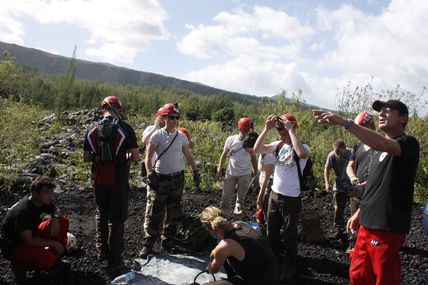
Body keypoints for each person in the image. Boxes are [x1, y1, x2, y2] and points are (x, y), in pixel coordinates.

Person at [314, 99, 420, 285]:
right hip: (366, 225)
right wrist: (358, 213)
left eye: (388, 111)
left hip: (387, 227)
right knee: (358, 276)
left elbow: (386, 145)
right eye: (380, 111)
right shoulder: (377, 153)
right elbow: (374, 187)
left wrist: (346, 122)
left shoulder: (408, 143)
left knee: (385, 279)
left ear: (403, 118)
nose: (381, 114)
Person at [83, 96, 140, 277]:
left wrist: (99, 158)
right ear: (119, 109)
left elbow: (85, 158)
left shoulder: (91, 129)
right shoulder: (126, 128)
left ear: (102, 109)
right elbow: (136, 157)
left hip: (98, 180)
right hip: (118, 181)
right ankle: (116, 260)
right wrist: (122, 158)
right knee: (117, 220)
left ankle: (102, 255)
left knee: (101, 214)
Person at [253, 113, 310, 282]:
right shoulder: (279, 145)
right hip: (274, 195)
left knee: (290, 235)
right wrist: (266, 129)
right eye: (281, 133)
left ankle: (290, 265)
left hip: (291, 198)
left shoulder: (303, 146)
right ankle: (273, 262)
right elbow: (257, 149)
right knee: (272, 232)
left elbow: (301, 154)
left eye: (285, 133)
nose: (282, 136)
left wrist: (291, 130)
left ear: (293, 129)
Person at [140, 103, 200, 257]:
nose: (175, 120)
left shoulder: (181, 136)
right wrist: (150, 174)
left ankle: (168, 241)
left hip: (177, 178)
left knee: (174, 211)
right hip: (161, 178)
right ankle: (148, 244)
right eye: (172, 117)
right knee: (155, 212)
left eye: (177, 117)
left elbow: (188, 155)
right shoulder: (157, 135)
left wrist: (195, 171)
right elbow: (148, 157)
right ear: (165, 118)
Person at [1, 176, 70, 281]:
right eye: (47, 192)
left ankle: (51, 258)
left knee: (63, 221)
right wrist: (53, 243)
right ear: (34, 192)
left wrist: (55, 218)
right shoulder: (23, 211)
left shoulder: (40, 202)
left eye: (51, 192)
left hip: (30, 236)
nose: (50, 196)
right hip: (15, 247)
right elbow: (28, 241)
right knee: (47, 258)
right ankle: (21, 266)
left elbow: (57, 210)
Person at [200, 206, 279, 285]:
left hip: (258, 282)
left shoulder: (224, 246)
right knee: (228, 258)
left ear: (210, 229)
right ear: (224, 215)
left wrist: (210, 266)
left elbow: (213, 269)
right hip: (273, 276)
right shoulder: (241, 224)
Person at [216, 118, 258, 220]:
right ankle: (223, 220)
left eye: (249, 130)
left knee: (241, 200)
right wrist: (219, 170)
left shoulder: (251, 141)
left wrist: (256, 174)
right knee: (226, 198)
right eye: (246, 130)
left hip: (245, 174)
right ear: (240, 129)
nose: (248, 132)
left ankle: (237, 221)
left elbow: (253, 158)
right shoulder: (231, 139)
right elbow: (224, 155)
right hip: (230, 173)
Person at [346, 111, 376, 252]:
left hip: (371, 195)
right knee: (354, 222)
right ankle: (356, 250)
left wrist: (370, 183)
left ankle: (366, 251)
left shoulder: (381, 147)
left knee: (369, 227)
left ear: (370, 127)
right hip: (357, 192)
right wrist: (353, 178)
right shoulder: (358, 146)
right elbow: (350, 166)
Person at [324, 139, 353, 240]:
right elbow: (326, 168)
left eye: (339, 152)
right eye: (336, 153)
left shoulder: (352, 153)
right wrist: (327, 182)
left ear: (344, 148)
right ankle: (338, 230)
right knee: (338, 209)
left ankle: (354, 231)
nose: (338, 155)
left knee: (354, 208)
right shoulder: (332, 155)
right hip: (339, 185)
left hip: (351, 186)